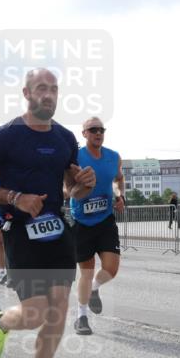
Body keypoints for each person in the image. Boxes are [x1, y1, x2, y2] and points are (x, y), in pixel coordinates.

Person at [0, 68, 96, 358]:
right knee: (36, 313)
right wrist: (16, 198)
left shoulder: (65, 138)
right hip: (20, 231)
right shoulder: (6, 136)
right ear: (26, 93)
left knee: (57, 312)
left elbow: (73, 189)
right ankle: (0, 321)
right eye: (42, 88)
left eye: (54, 89)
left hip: (57, 230)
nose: (49, 95)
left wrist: (84, 181)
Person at [70, 116, 124, 335]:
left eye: (101, 129)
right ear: (84, 134)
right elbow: (65, 185)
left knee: (111, 268)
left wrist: (120, 195)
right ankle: (81, 316)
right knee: (86, 270)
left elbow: (119, 179)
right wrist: (70, 193)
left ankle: (94, 287)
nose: (98, 133)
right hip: (81, 222)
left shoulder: (113, 157)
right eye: (93, 130)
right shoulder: (75, 157)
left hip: (105, 220)